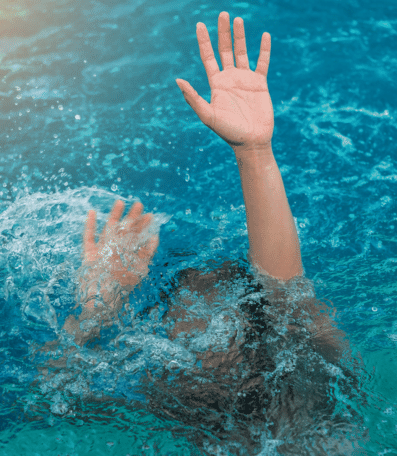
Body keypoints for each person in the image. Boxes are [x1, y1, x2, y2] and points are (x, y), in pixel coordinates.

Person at [50, 12, 364, 454]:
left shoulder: (308, 390)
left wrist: (255, 152)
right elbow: (51, 398)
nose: (186, 345)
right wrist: (95, 312)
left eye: (202, 330)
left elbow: (285, 287)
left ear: (259, 339)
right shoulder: (174, 406)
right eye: (178, 332)